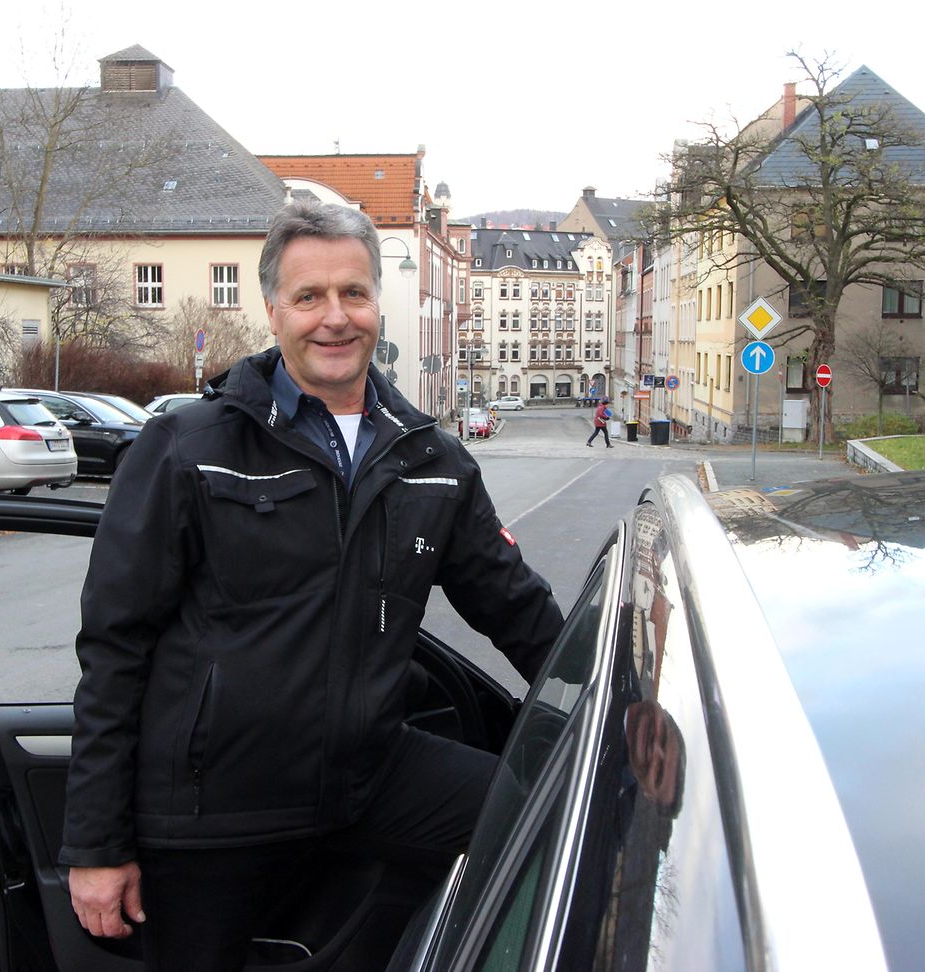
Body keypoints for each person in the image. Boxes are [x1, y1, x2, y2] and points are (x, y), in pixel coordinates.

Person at [59, 200, 566, 970]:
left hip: (368, 778)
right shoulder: (189, 447)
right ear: (273, 311)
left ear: (376, 303)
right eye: (309, 297)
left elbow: (518, 610)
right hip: (211, 808)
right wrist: (97, 845)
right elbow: (114, 649)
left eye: (353, 293)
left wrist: (627, 709)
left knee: (546, 821)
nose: (335, 317)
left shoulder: (431, 461)